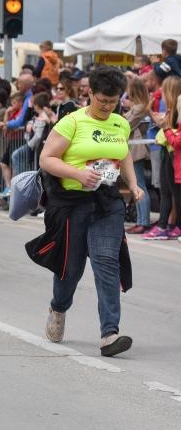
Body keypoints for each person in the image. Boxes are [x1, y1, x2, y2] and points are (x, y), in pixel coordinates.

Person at [36, 67, 141, 357]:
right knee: (70, 270)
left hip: (107, 204)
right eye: (102, 101)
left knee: (107, 262)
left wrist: (132, 184)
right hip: (72, 204)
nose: (108, 107)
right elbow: (47, 159)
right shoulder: (72, 122)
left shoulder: (120, 123)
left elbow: (125, 154)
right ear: (90, 94)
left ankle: (110, 334)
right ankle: (58, 307)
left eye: (113, 101)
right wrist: (78, 174)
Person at [143, 75, 181, 240]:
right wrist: (150, 111)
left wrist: (165, 128)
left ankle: (166, 225)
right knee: (167, 191)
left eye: (164, 91)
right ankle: (167, 224)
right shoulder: (172, 109)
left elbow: (175, 138)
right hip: (168, 151)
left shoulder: (175, 111)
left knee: (172, 193)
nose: (162, 94)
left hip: (172, 152)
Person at [123, 77, 152, 234]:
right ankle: (141, 220)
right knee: (137, 185)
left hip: (136, 151)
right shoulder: (138, 107)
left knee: (139, 185)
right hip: (132, 150)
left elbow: (126, 125)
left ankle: (143, 222)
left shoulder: (140, 107)